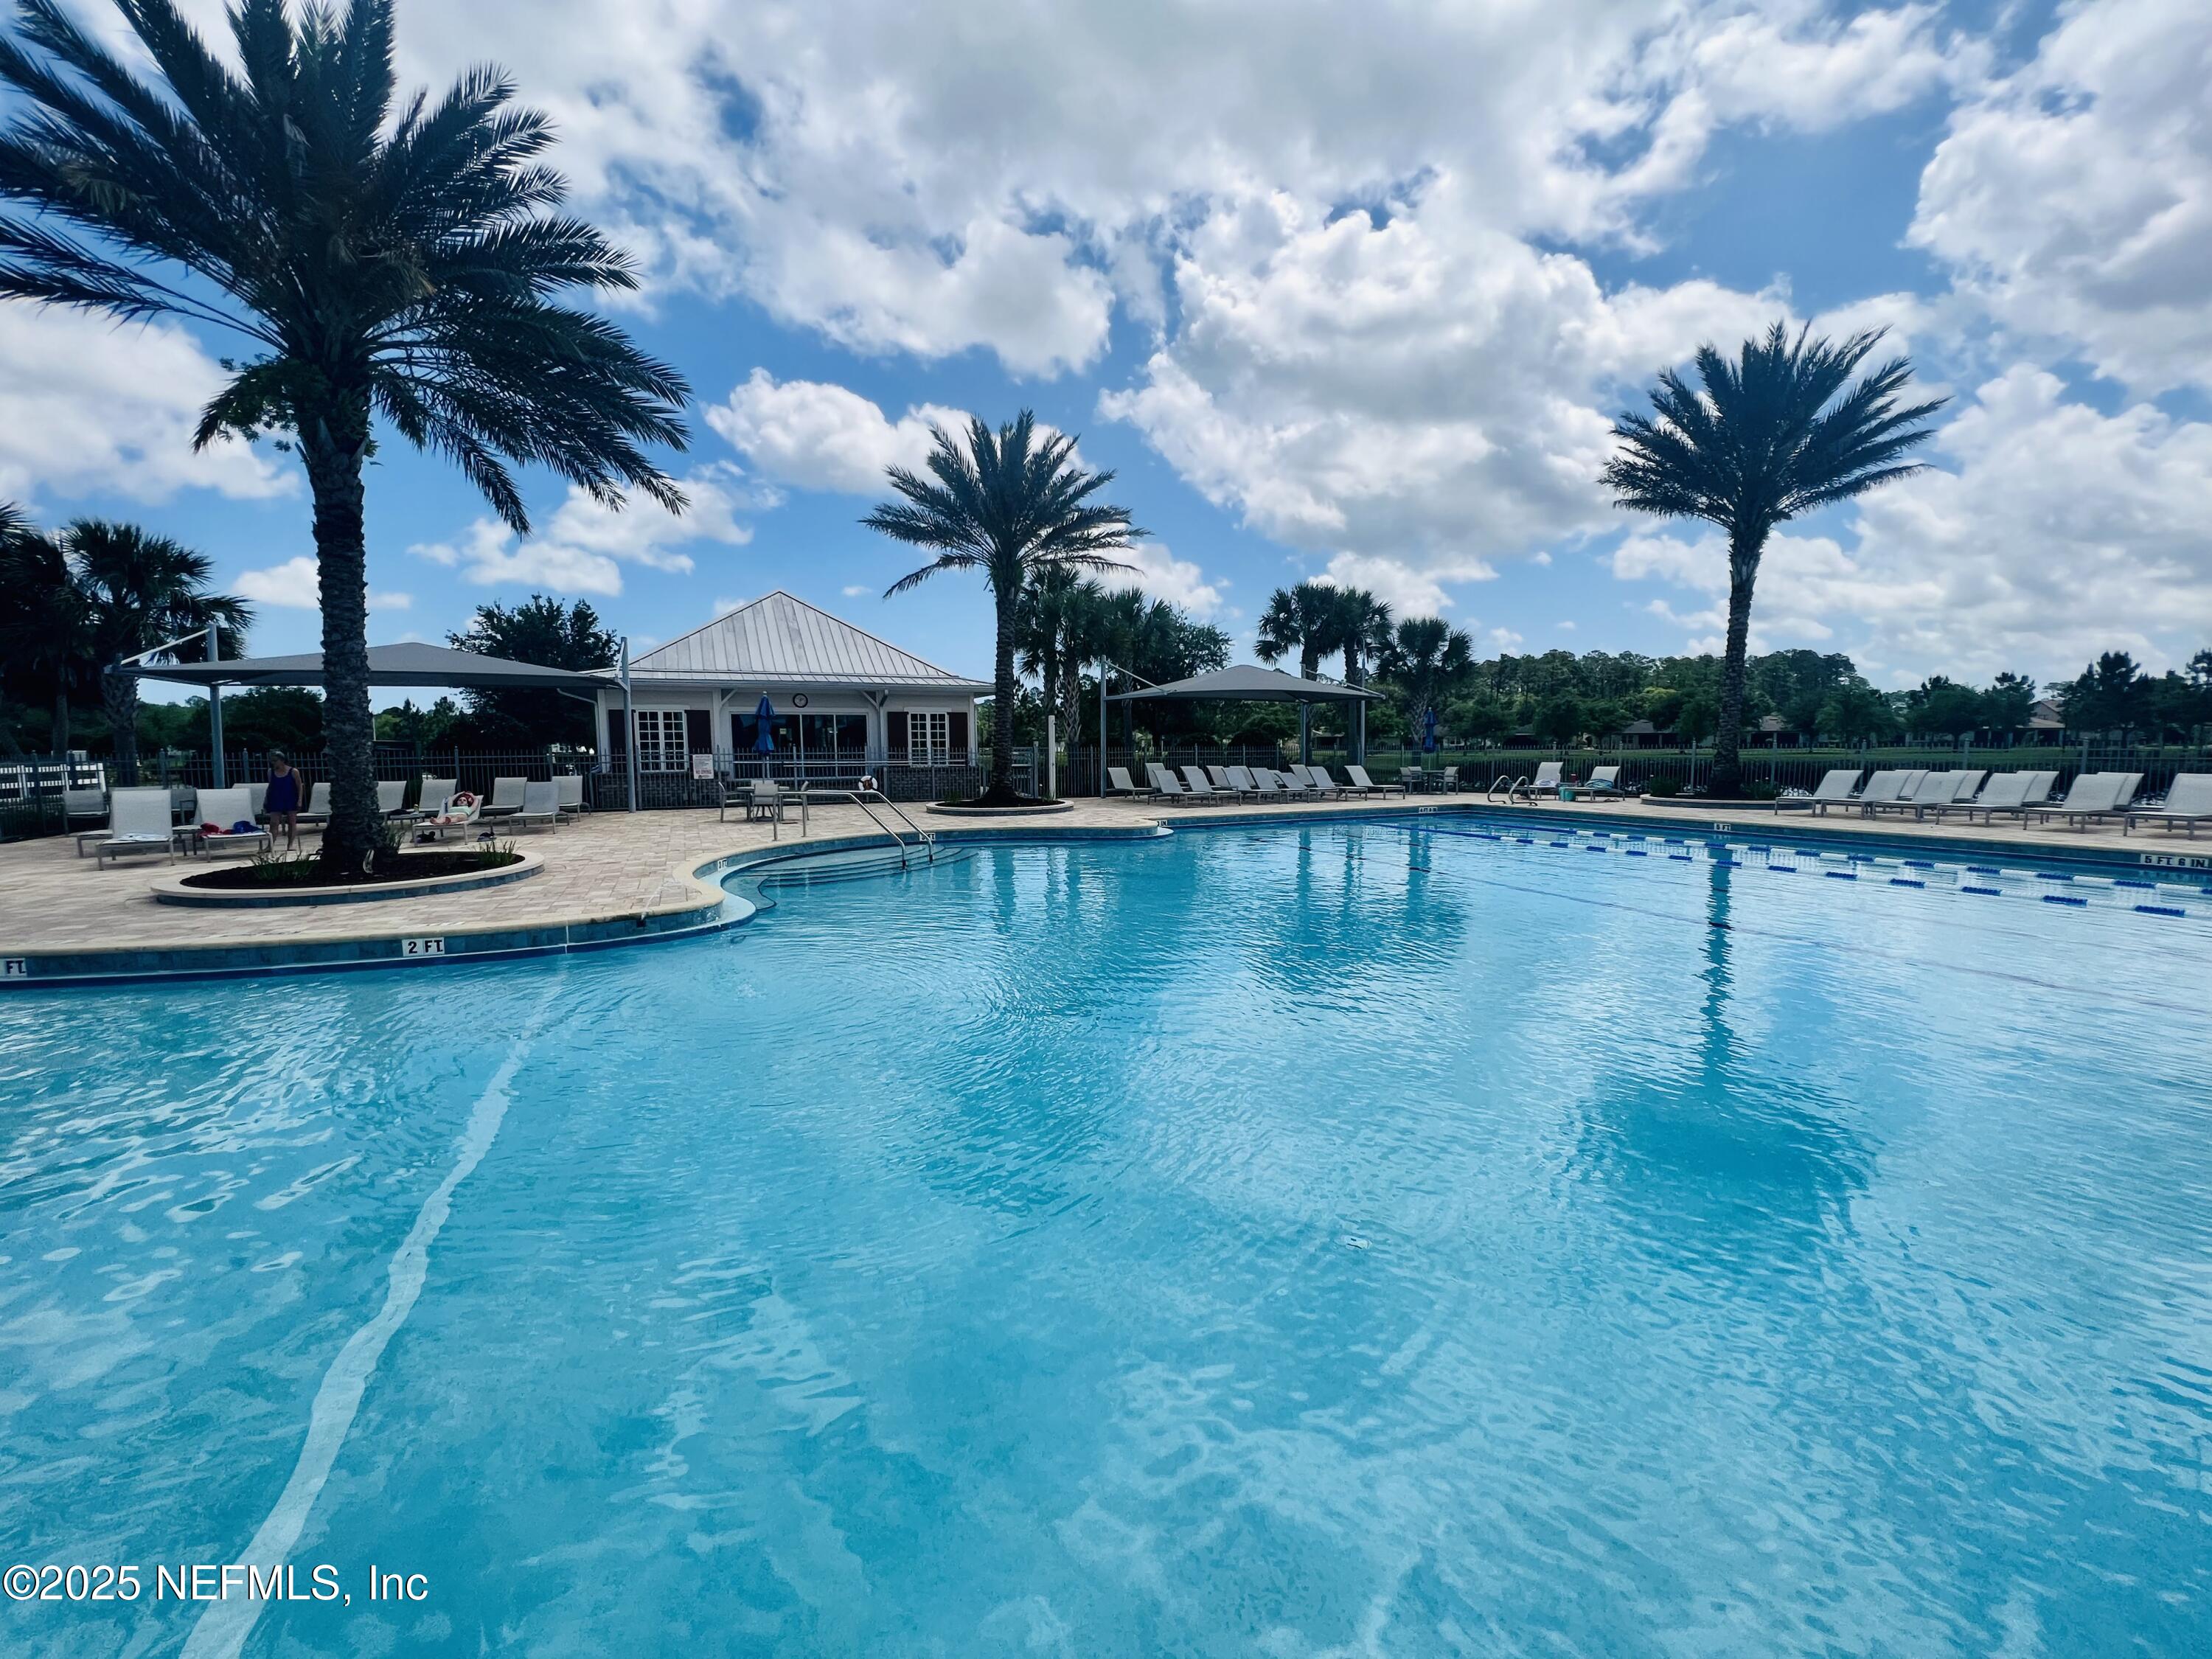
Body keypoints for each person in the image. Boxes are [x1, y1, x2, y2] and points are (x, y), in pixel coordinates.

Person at [264, 751, 302, 849]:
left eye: (275, 761)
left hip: (290, 798)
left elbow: (299, 787)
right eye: (272, 761)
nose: (273, 763)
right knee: (274, 823)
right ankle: (270, 846)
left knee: (292, 821)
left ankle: (290, 844)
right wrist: (266, 799)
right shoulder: (271, 772)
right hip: (276, 798)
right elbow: (270, 786)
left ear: (282, 760)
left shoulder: (293, 772)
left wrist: (300, 800)